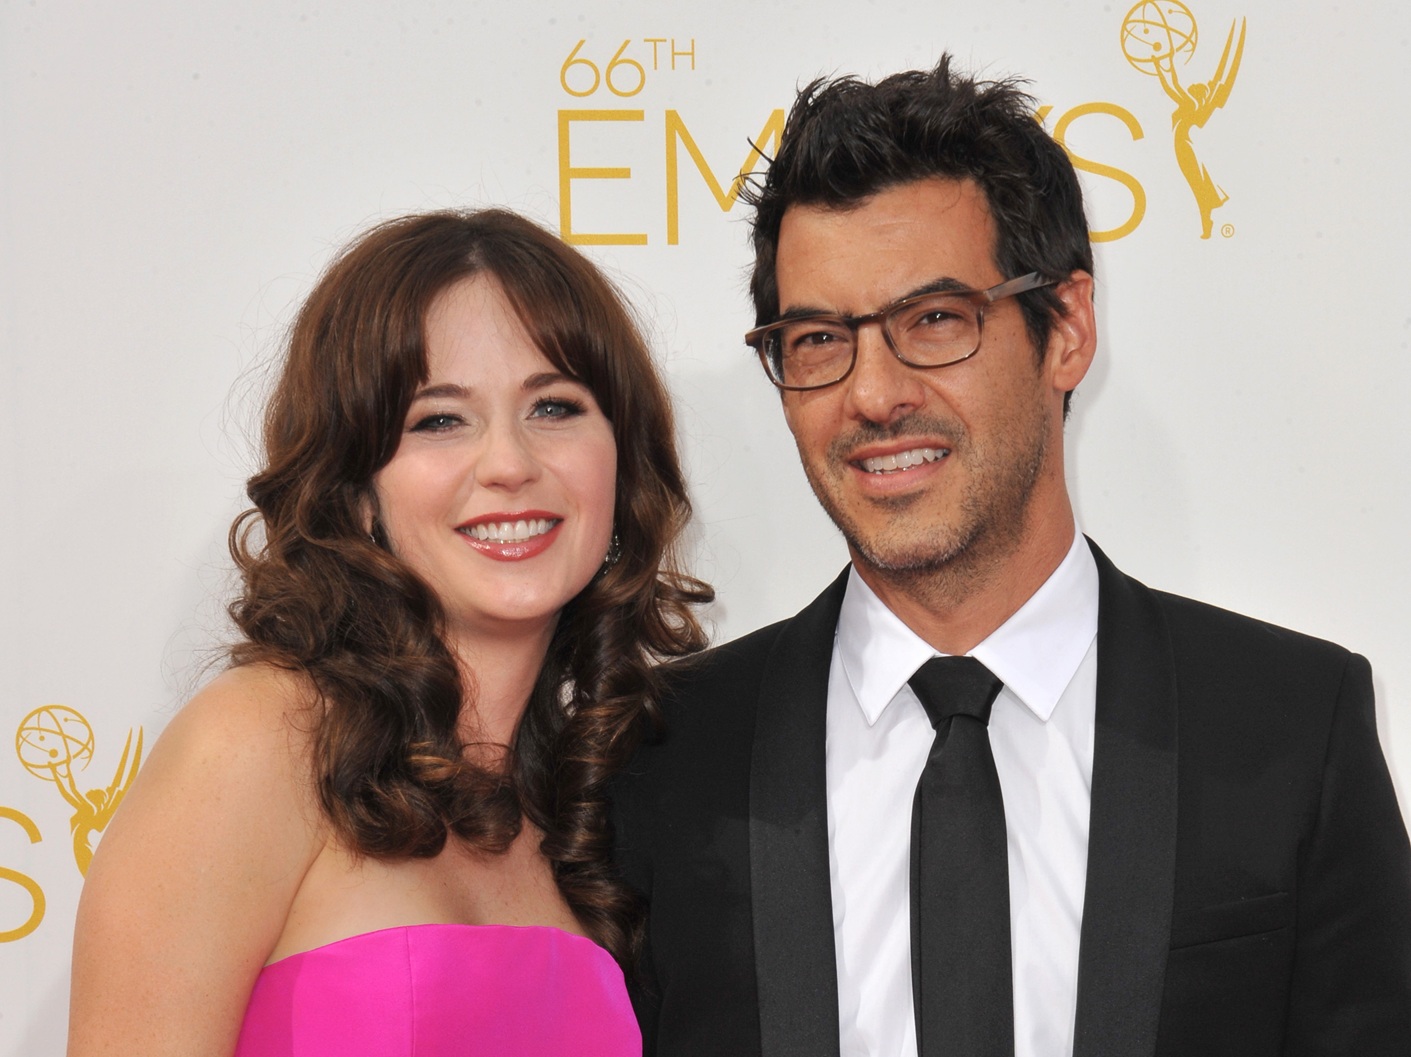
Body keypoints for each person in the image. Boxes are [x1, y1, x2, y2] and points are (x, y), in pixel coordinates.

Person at [612, 56, 1411, 1057]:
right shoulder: (662, 754)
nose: (871, 393)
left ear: (1066, 329)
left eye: (934, 320)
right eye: (819, 338)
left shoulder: (1292, 725)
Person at [68, 208, 711, 1057]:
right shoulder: (261, 742)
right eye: (438, 420)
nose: (510, 462)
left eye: (554, 405)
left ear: (621, 458)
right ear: (358, 490)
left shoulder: (587, 818)